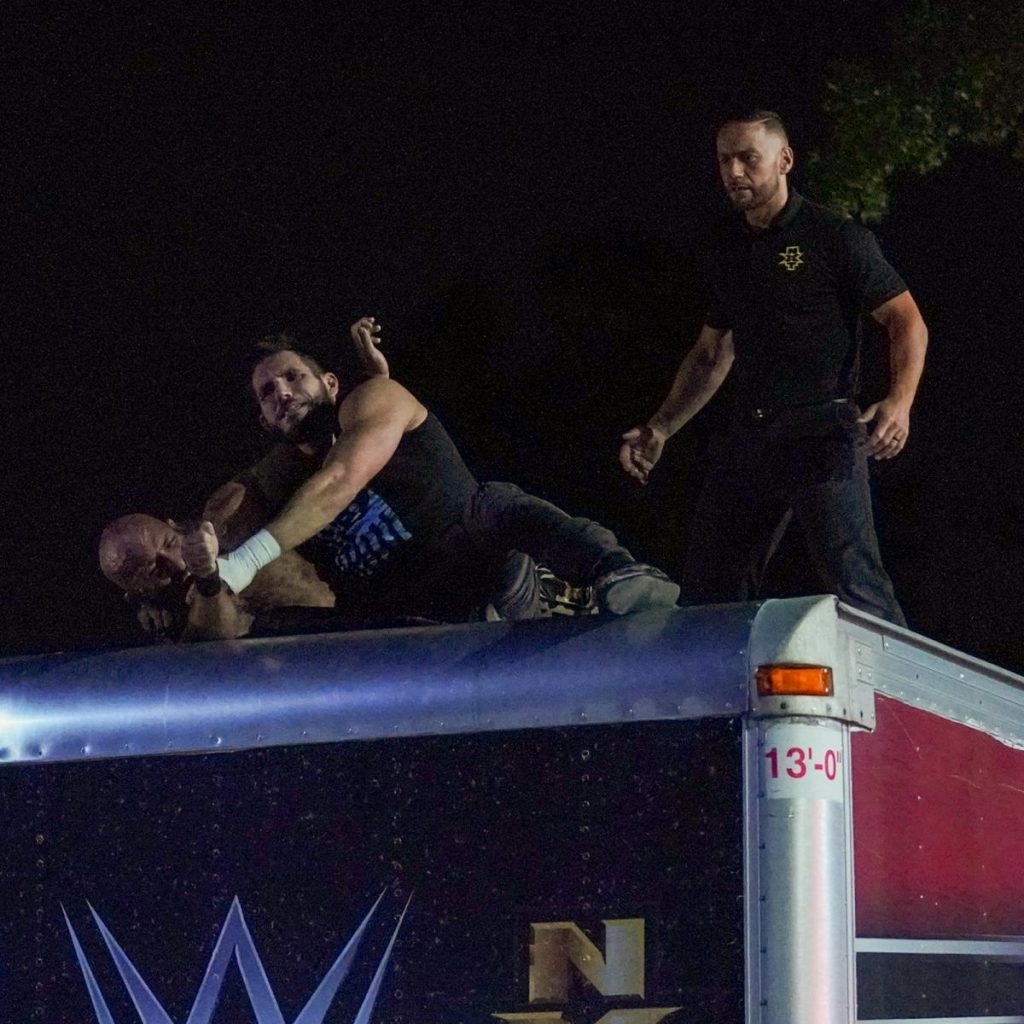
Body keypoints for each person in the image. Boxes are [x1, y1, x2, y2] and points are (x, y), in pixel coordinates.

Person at [619, 111, 927, 625]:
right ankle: (717, 700)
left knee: (855, 584)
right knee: (710, 591)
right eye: (724, 160)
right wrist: (661, 427)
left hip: (822, 432)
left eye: (748, 158)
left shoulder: (835, 237)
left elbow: (906, 321)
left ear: (784, 160)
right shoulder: (726, 248)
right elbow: (711, 354)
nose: (734, 172)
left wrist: (900, 401)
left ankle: (897, 698)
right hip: (752, 437)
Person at [183, 325, 678, 633]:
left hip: (494, 577)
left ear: (330, 383)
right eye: (268, 393)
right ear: (265, 422)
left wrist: (245, 561)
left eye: (293, 377)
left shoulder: (374, 397)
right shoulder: (272, 479)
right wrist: (209, 571)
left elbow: (340, 480)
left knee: (494, 501)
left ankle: (616, 572)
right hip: (417, 622)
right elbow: (222, 535)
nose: (283, 394)